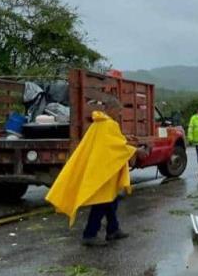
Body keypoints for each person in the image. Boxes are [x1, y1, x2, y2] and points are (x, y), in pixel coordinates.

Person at [46, 98, 143, 246]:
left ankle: (113, 229)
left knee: (111, 200)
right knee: (102, 202)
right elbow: (116, 147)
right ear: (110, 109)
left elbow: (111, 142)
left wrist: (125, 139)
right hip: (104, 171)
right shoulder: (110, 124)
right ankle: (89, 234)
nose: (119, 114)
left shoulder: (98, 124)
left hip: (100, 169)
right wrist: (136, 149)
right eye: (118, 111)